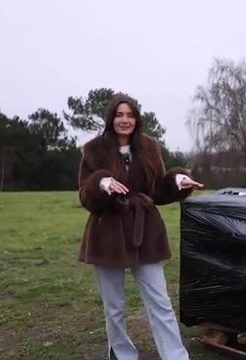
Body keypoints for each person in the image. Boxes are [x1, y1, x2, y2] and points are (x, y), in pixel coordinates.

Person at [77, 95, 203, 360]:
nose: (125, 120)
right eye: (119, 115)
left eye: (130, 115)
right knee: (114, 307)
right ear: (111, 119)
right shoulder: (93, 150)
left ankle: (175, 356)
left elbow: (156, 189)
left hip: (144, 231)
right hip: (107, 233)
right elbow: (85, 196)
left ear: (137, 119)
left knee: (160, 301)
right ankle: (122, 355)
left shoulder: (148, 147)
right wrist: (102, 184)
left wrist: (177, 181)